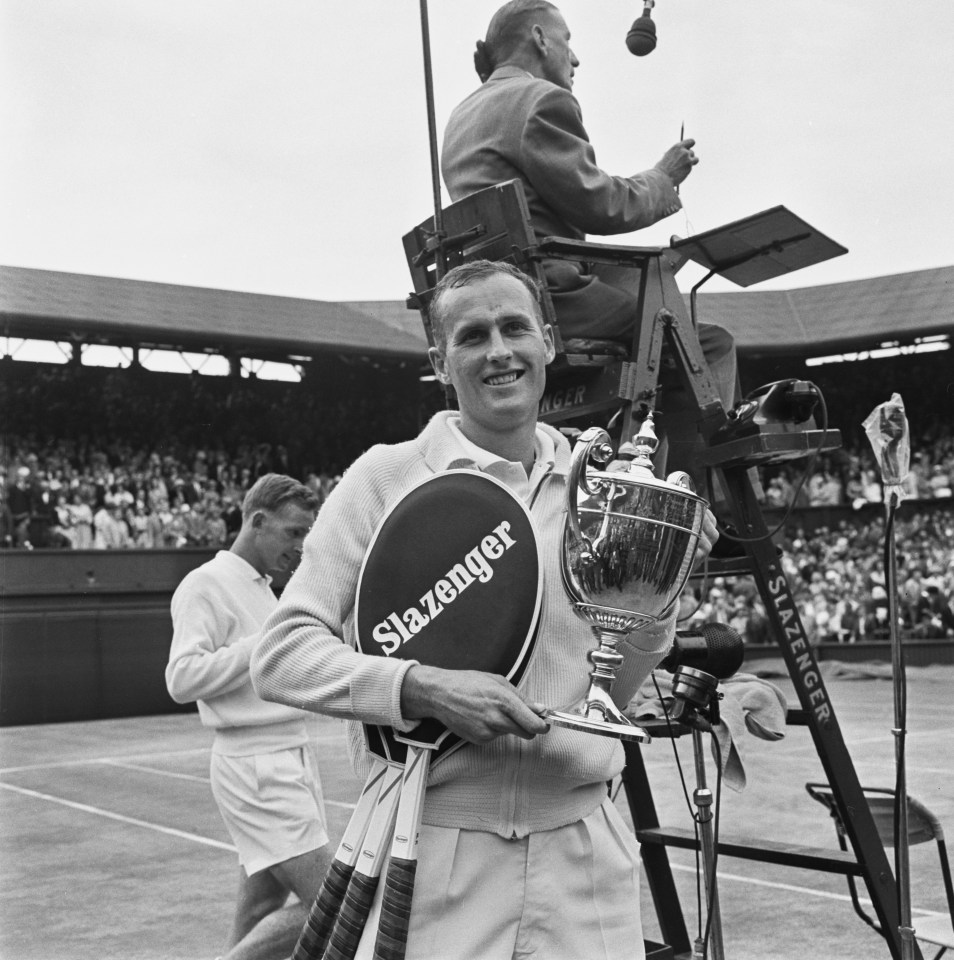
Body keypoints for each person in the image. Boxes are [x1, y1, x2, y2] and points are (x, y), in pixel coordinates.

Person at [251, 261, 716, 960]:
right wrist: (423, 688)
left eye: (514, 327)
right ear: (441, 361)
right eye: (472, 336)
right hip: (438, 845)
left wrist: (658, 593)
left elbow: (611, 693)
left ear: (548, 341)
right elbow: (280, 658)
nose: (499, 351)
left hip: (584, 847)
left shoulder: (607, 490)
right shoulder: (385, 476)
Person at [441, 1, 737, 410]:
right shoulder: (540, 100)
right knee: (708, 343)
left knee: (652, 286)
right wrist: (663, 177)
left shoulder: (461, 118)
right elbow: (602, 206)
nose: (575, 58)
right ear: (541, 39)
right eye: (568, 41)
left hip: (504, 293)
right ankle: (690, 470)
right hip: (552, 300)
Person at [166, 473, 332, 960]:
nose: (300, 547)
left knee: (263, 905)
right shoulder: (205, 584)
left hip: (286, 757)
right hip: (257, 766)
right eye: (294, 533)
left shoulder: (264, 589)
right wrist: (260, 645)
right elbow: (182, 678)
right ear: (257, 522)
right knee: (333, 902)